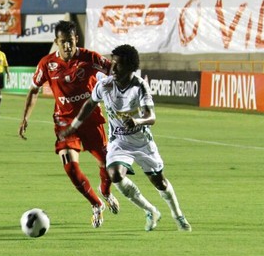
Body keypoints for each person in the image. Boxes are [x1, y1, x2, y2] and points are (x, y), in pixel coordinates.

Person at [58, 44, 192, 232]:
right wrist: (73, 126)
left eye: (118, 65)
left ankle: (178, 214)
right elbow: (89, 104)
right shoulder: (104, 84)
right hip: (119, 142)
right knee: (115, 174)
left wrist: (137, 121)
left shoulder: (139, 86)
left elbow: (151, 117)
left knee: (159, 182)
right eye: (112, 63)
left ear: (129, 67)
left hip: (142, 142)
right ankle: (151, 211)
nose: (113, 68)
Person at [18, 21, 119, 229]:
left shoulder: (90, 58)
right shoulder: (47, 64)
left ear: (76, 40)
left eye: (70, 42)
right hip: (64, 123)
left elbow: (114, 71)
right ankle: (96, 204)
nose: (67, 47)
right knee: (70, 167)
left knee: (107, 167)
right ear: (56, 42)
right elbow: (34, 89)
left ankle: (106, 192)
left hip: (91, 120)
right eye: (62, 42)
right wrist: (25, 117)